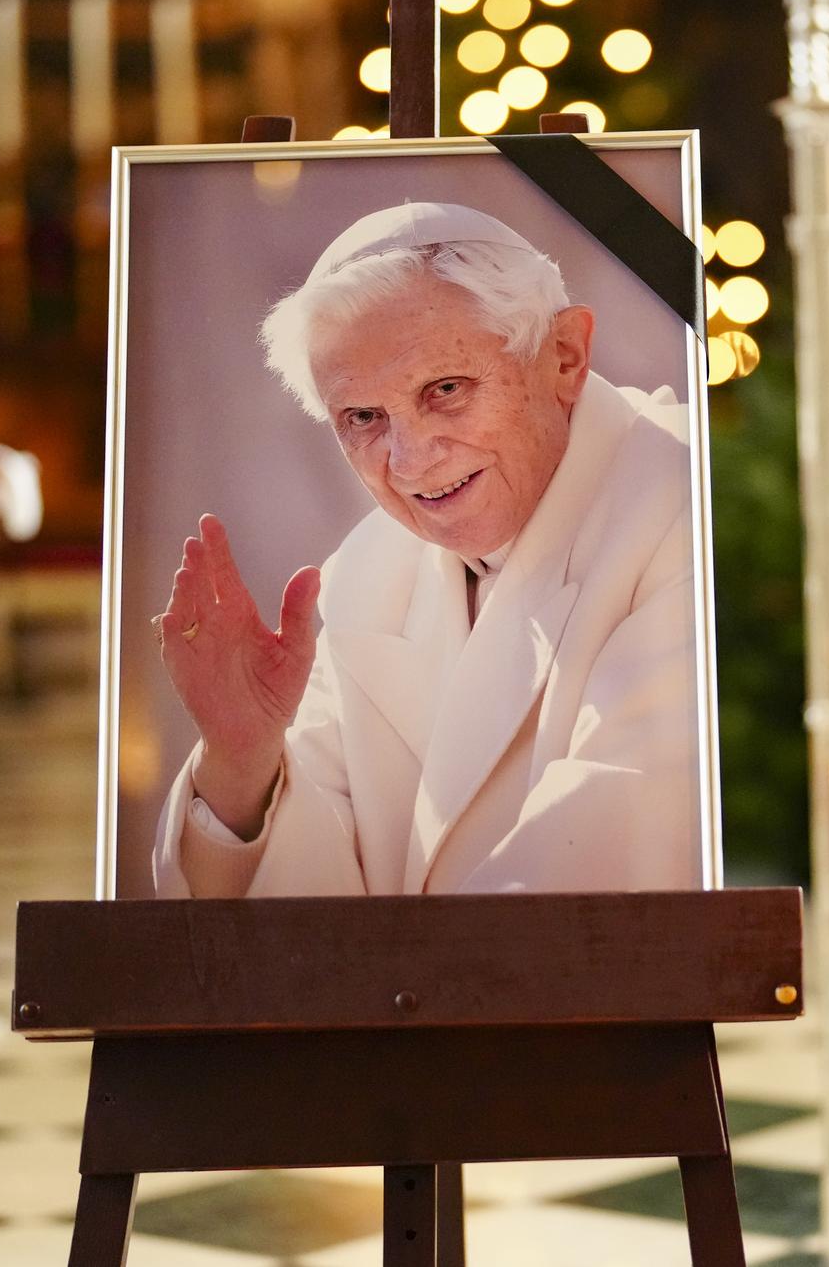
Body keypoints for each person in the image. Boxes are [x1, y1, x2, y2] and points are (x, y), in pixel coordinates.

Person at [149, 201, 704, 897]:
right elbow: (302, 904)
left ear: (564, 357)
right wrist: (241, 759)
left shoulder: (682, 498)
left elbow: (623, 848)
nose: (409, 462)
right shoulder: (371, 572)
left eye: (445, 390)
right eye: (362, 418)